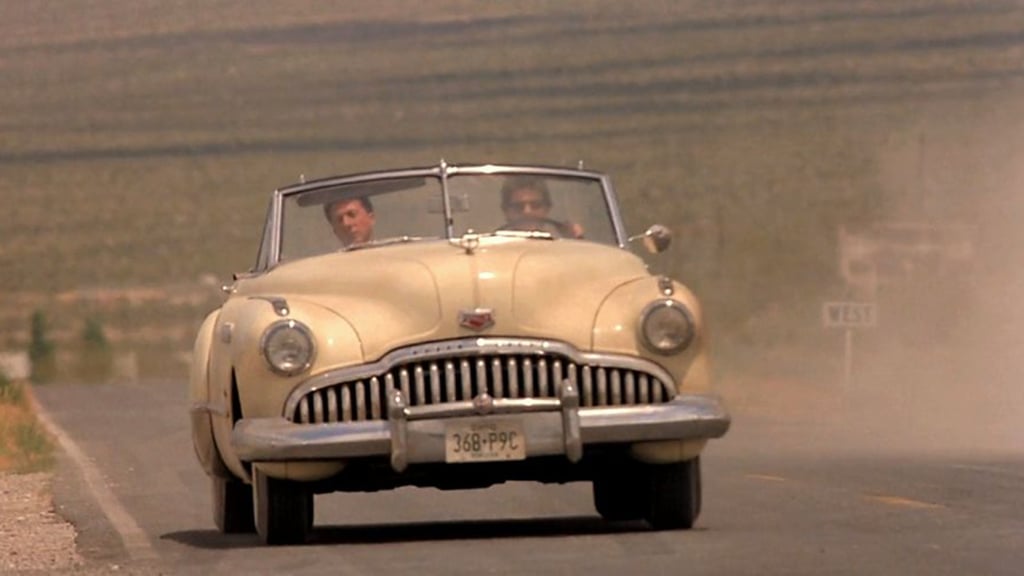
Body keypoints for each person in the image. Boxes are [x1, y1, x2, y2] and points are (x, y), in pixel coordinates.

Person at [499, 175, 583, 238]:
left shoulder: (561, 247)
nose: (527, 211)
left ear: (547, 209)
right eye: (518, 206)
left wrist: (576, 239)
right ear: (506, 211)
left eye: (535, 205)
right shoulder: (493, 249)